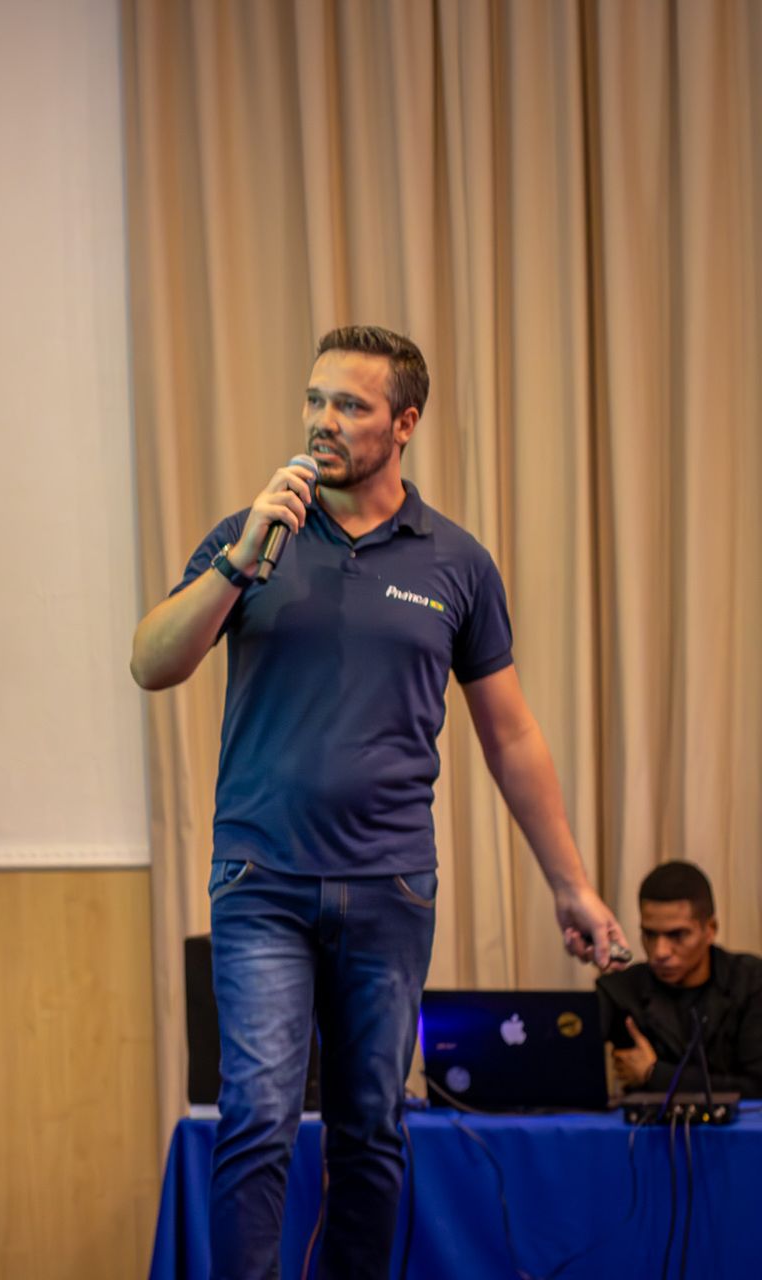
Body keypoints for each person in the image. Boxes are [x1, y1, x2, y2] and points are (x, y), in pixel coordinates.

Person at [129, 326, 630, 1278]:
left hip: (391, 885)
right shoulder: (254, 535)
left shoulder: (456, 562)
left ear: (404, 424)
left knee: (372, 1130)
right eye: (314, 400)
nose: (322, 422)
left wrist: (571, 885)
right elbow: (152, 662)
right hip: (261, 877)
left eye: (349, 406)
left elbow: (511, 734)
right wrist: (239, 559)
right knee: (258, 1119)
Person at [599, 861, 762, 1097]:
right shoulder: (620, 990)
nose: (660, 952)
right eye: (650, 934)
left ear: (710, 930)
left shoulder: (750, 981)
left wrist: (656, 1074)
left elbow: (757, 1086)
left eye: (677, 935)